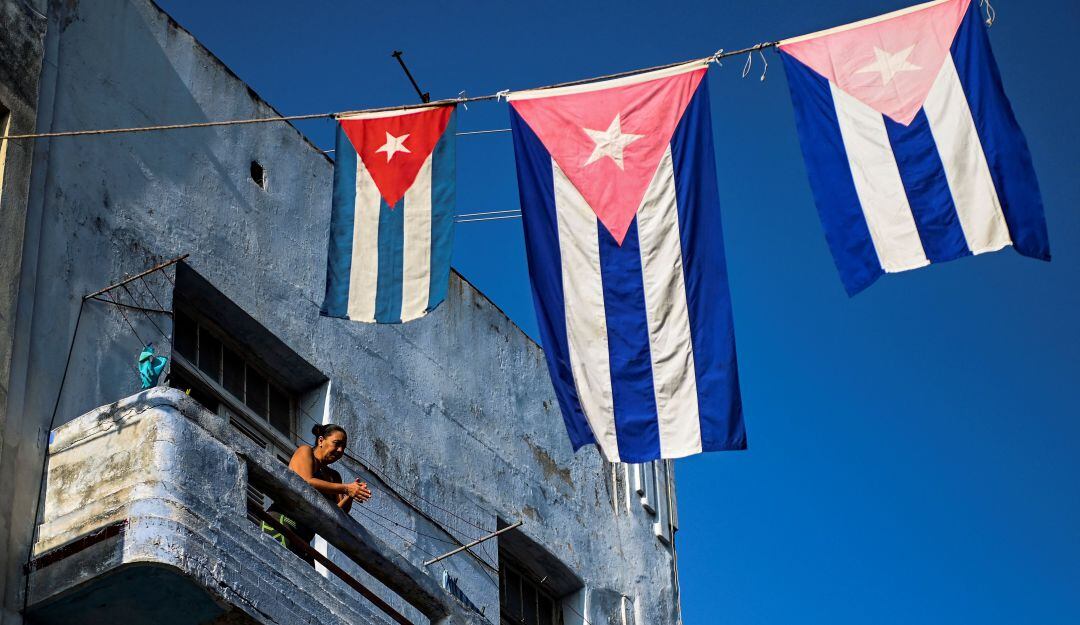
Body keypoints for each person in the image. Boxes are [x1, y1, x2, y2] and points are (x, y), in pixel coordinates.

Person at [261, 423, 372, 563]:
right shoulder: (305, 451)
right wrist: (346, 488)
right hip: (282, 523)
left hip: (304, 538)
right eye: (336, 444)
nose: (340, 450)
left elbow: (338, 513)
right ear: (321, 440)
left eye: (343, 447)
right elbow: (306, 481)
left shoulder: (334, 476)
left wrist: (350, 494)